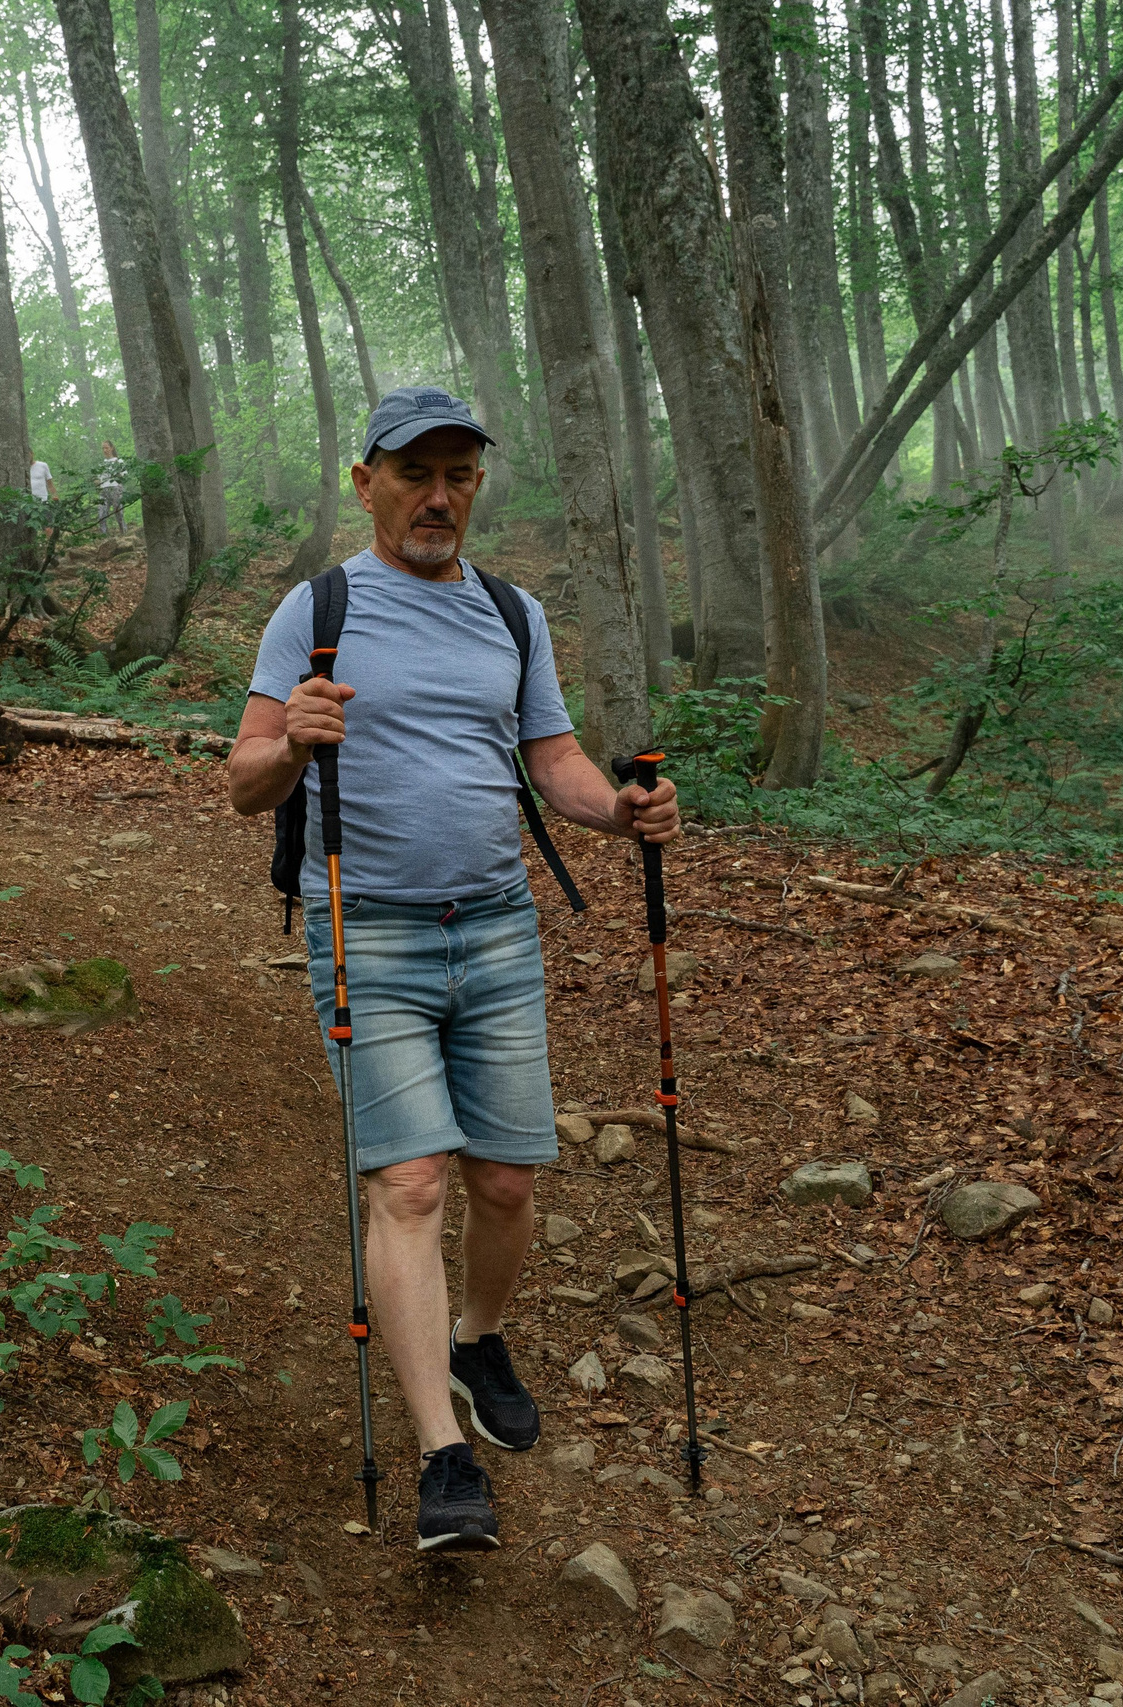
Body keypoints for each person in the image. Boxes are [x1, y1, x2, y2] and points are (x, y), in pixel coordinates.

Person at [226, 385, 680, 1553]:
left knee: (507, 1181)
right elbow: (243, 781)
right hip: (364, 930)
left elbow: (553, 760)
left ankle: (478, 1339)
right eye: (414, 474)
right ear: (366, 481)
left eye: (458, 476)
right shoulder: (316, 608)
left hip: (495, 928)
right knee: (412, 1184)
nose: (438, 497)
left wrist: (619, 814)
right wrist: (292, 743)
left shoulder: (512, 614)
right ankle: (443, 1455)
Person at [96, 440, 130, 535]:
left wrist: (117, 475)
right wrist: (97, 482)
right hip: (103, 490)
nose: (105, 450)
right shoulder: (102, 464)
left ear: (111, 448)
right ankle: (104, 536)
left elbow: (124, 476)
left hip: (116, 488)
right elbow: (99, 479)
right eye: (103, 448)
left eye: (106, 448)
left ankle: (124, 534)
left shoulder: (119, 461)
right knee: (101, 514)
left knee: (119, 513)